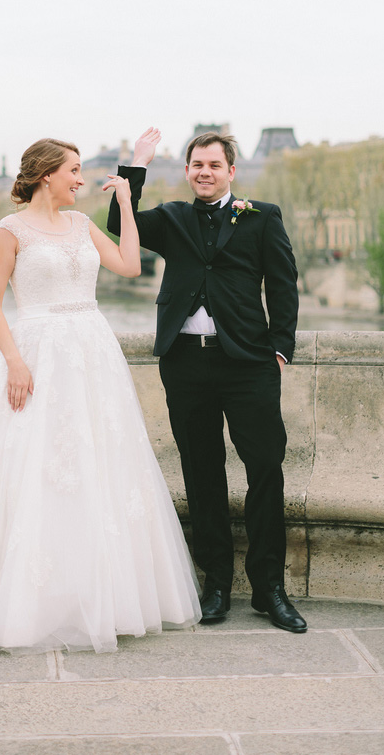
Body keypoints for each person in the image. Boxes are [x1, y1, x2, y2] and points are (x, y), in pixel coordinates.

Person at [0, 137, 201, 651]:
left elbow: (130, 266)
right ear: (47, 174)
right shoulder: (10, 230)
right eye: (73, 170)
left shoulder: (82, 224)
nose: (79, 179)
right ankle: (24, 601)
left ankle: (91, 596)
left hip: (92, 352)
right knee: (30, 469)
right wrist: (16, 361)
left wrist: (124, 205)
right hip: (37, 351)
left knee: (96, 469)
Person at [107, 127, 306, 633]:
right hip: (186, 364)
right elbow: (117, 221)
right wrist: (139, 161)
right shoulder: (172, 219)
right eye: (197, 165)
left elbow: (283, 285)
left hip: (249, 366)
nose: (204, 173)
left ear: (231, 172)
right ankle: (215, 583)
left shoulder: (262, 218)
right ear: (188, 169)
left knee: (265, 468)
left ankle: (269, 589)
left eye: (214, 165)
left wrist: (281, 348)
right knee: (201, 473)